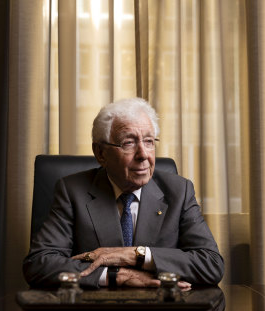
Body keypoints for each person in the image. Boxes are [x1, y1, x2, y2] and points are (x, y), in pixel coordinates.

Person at [23, 98, 224, 289]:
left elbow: (211, 264)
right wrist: (114, 276)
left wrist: (135, 255)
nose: (143, 154)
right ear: (101, 153)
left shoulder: (179, 191)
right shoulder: (72, 191)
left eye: (148, 141)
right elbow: (39, 264)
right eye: (129, 143)